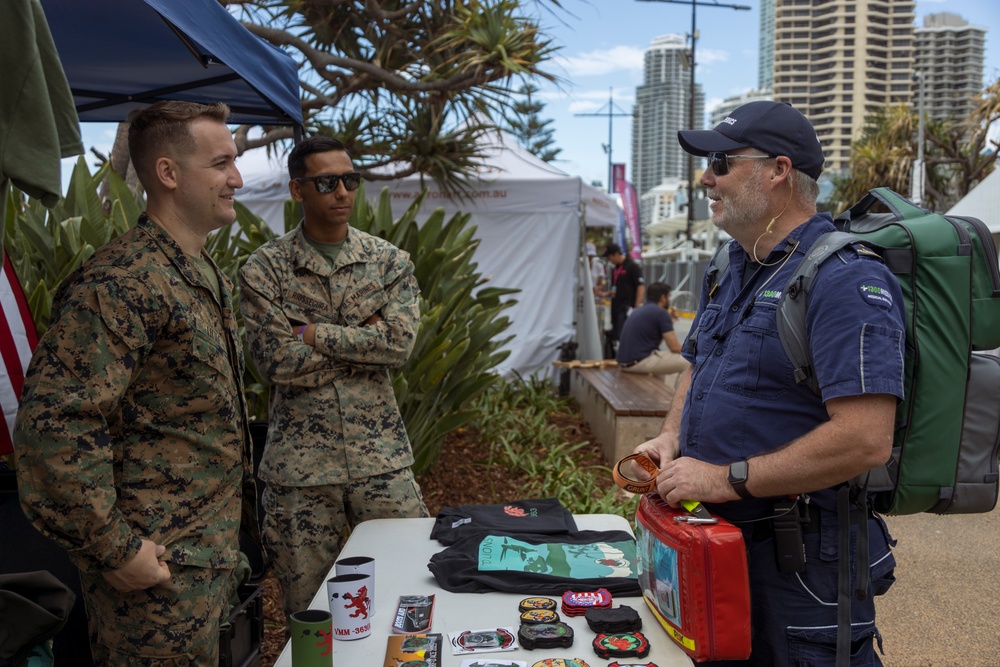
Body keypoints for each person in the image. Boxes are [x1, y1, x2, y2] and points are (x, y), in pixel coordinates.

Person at [631, 101, 905, 666]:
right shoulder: (733, 265)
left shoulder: (846, 278)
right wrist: (670, 442)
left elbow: (865, 438)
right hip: (717, 546)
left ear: (778, 170)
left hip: (798, 569)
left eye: (721, 162)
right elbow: (700, 365)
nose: (706, 177)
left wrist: (726, 478)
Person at [14, 100, 254, 664]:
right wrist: (115, 551)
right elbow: (53, 427)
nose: (236, 178)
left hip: (205, 562)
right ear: (169, 174)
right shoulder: (122, 281)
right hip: (154, 580)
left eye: (234, 162)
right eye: (220, 164)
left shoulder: (198, 272)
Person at [239, 136, 428, 621]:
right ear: (298, 190)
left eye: (350, 180)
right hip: (299, 473)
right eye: (327, 182)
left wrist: (313, 333)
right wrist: (363, 341)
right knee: (311, 613)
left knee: (412, 594)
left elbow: (398, 345)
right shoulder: (264, 270)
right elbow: (276, 363)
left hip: (381, 461)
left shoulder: (390, 263)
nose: (342, 192)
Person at [616, 282, 688, 379]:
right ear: (663, 297)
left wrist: (669, 322)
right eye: (669, 296)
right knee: (689, 362)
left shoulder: (639, 310)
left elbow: (652, 343)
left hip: (625, 362)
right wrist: (693, 353)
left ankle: (660, 393)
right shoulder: (661, 313)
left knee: (661, 361)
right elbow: (674, 348)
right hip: (638, 363)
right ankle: (680, 394)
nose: (669, 300)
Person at [602, 242, 645, 355]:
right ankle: (620, 356)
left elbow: (640, 286)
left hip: (626, 307)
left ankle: (628, 358)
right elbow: (615, 288)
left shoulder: (632, 266)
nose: (609, 260)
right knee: (616, 333)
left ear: (616, 254)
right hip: (615, 307)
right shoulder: (615, 269)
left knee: (624, 334)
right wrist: (605, 294)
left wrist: (636, 306)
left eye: (610, 257)